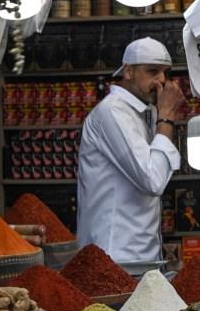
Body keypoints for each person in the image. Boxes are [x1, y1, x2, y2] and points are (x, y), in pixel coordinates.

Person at [77, 38, 186, 265]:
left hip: (139, 256)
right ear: (128, 71)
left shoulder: (141, 113)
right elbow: (152, 180)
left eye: (165, 73)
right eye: (153, 71)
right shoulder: (113, 111)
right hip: (115, 256)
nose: (162, 81)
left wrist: (160, 115)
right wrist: (166, 116)